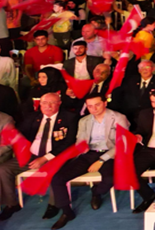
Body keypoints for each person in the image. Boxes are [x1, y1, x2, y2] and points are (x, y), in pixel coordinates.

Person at [48, 93, 129, 228]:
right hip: (89, 153)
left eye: (97, 104)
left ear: (105, 103)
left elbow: (122, 144)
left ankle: (96, 192)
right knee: (57, 178)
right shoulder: (84, 121)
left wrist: (102, 160)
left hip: (110, 154)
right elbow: (80, 141)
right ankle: (67, 212)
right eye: (90, 106)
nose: (94, 109)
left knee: (110, 179)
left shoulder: (119, 118)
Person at [0, 92, 79, 221]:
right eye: (44, 103)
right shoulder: (32, 117)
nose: (48, 106)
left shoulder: (70, 118)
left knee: (54, 171)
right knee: (3, 170)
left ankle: (53, 204)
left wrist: (45, 158)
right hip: (31, 154)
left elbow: (68, 143)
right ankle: (11, 204)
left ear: (59, 103)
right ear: (40, 104)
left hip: (54, 156)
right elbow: (21, 135)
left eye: (52, 103)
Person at [118, 59, 155, 125]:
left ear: (153, 69)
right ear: (139, 70)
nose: (144, 70)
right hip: (131, 115)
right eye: (142, 68)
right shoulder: (131, 81)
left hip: (150, 115)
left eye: (147, 67)